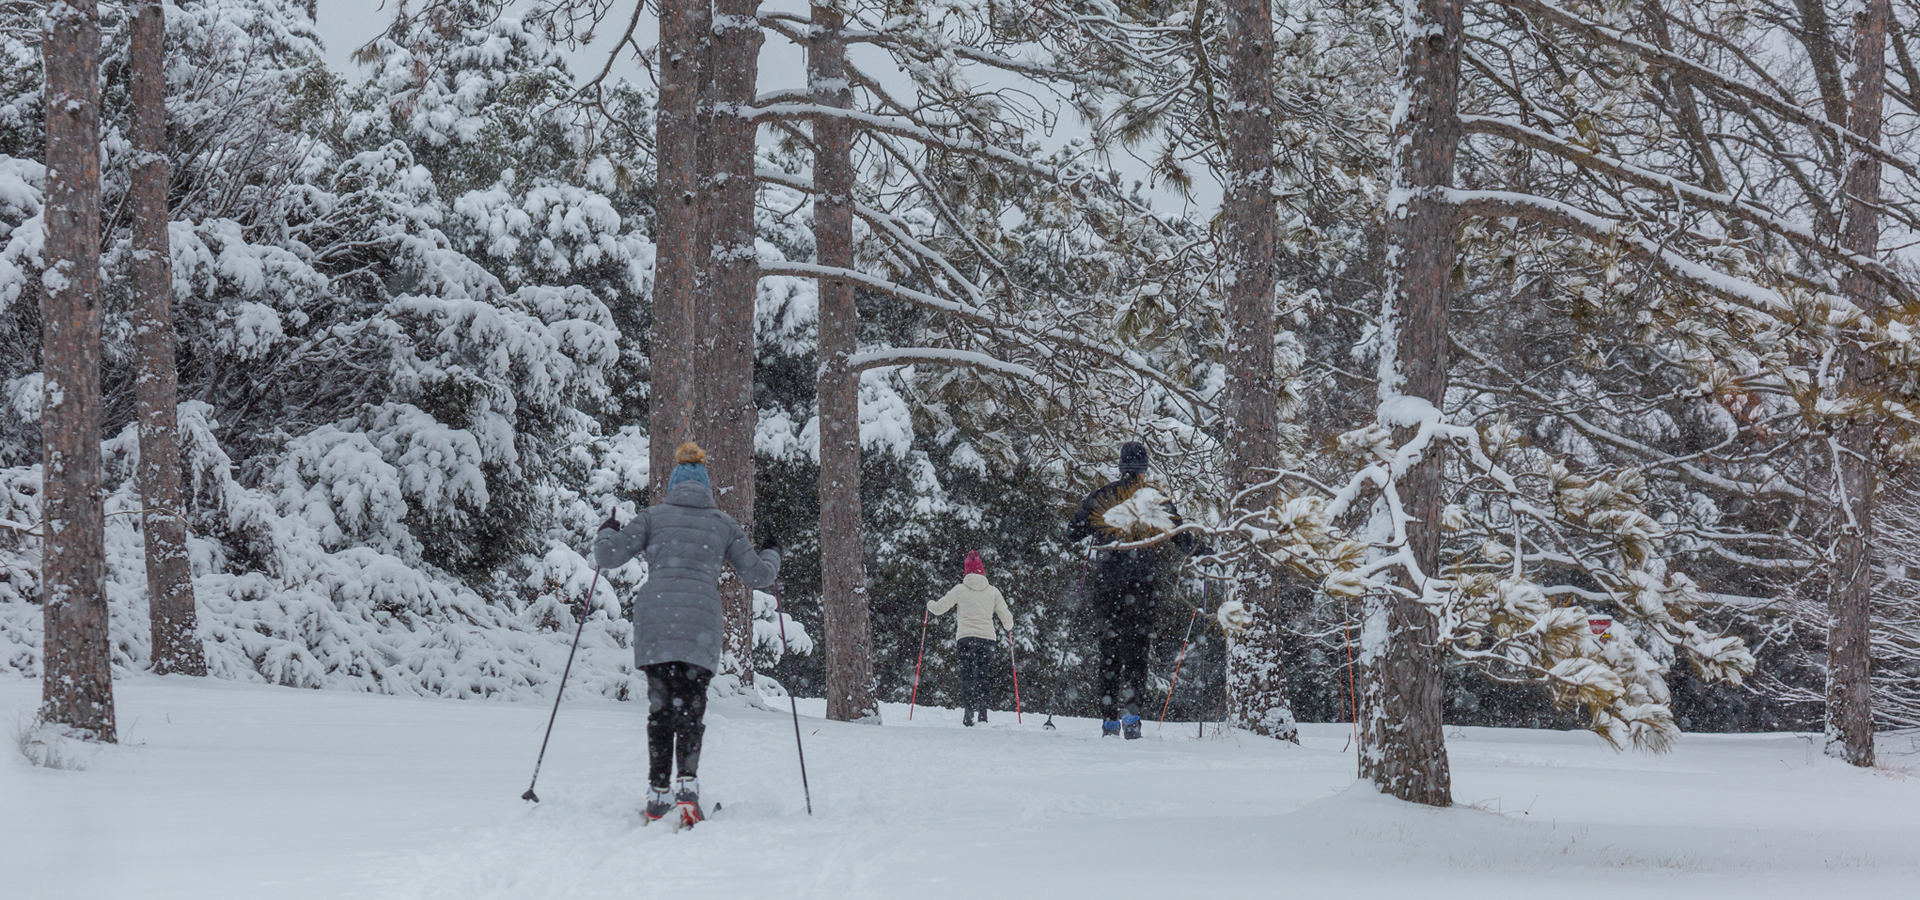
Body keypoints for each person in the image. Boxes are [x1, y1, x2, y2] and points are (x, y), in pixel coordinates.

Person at [594, 441, 780, 825]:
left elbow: (608, 557)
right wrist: (773, 551)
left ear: (674, 485)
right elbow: (759, 576)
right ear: (706, 488)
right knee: (691, 710)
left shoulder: (652, 518)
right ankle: (688, 787)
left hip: (657, 620)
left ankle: (657, 791)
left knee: (660, 709)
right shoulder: (722, 524)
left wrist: (606, 531)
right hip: (700, 627)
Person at [1067, 440, 1195, 740]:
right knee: (1138, 653)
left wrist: (1091, 527)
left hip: (1107, 585)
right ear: (1144, 469)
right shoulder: (1154, 498)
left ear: (1121, 466)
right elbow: (1181, 538)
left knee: (1109, 653)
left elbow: (1072, 533)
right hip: (1142, 585)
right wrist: (1205, 553)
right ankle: (1133, 719)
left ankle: (1109, 722)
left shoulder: (1102, 497)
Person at [927, 551, 1014, 727]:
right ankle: (983, 714)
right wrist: (1009, 626)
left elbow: (938, 608)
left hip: (966, 639)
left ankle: (968, 712)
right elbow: (1006, 618)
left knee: (966, 675)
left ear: (967, 572)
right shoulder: (993, 591)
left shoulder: (959, 589)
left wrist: (928, 604)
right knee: (984, 676)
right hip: (987, 639)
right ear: (982, 571)